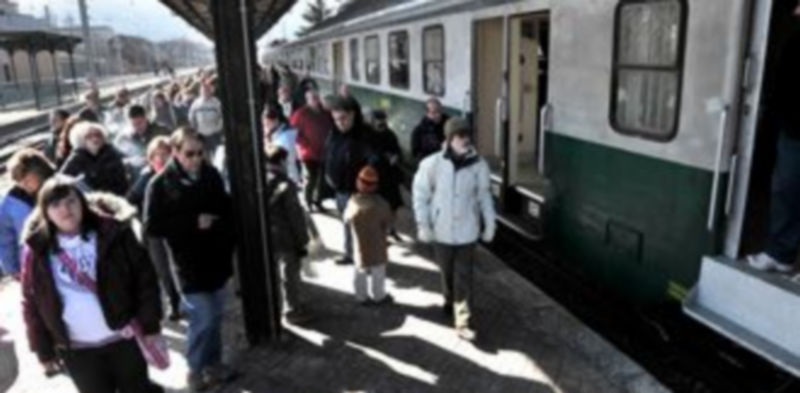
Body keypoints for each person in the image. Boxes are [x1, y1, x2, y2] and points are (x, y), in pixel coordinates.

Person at [20, 176, 163, 393]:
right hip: (78, 352)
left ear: (82, 203)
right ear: (45, 212)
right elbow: (31, 302)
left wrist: (150, 324)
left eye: (70, 201)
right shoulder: (36, 251)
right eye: (55, 204)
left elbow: (145, 280)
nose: (65, 209)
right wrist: (43, 350)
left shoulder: (114, 233)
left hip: (123, 340)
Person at [143, 127, 236, 391]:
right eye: (189, 154)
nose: (196, 159)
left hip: (216, 258)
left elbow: (227, 209)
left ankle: (214, 365)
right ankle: (194, 370)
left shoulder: (211, 174)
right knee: (203, 316)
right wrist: (192, 223)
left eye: (200, 153)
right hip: (188, 264)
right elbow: (152, 227)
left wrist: (223, 233)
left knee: (215, 316)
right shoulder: (159, 184)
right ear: (174, 152)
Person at [412, 117, 496, 341]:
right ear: (449, 139)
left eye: (467, 135)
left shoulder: (479, 165)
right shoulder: (432, 164)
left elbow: (484, 195)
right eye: (460, 136)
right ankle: (449, 299)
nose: (465, 140)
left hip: (467, 232)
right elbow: (421, 196)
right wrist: (423, 224)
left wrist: (489, 223)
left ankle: (463, 320)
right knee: (446, 272)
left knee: (464, 276)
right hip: (441, 232)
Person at [747, 3, 800, 273]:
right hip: (791, 126)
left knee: (786, 188)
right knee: (786, 189)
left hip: (795, 128)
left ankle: (780, 252)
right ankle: (782, 252)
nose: (795, 11)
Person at [125, 137, 182, 321]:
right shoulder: (146, 177)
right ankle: (173, 302)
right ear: (150, 158)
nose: (162, 159)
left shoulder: (179, 173)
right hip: (155, 232)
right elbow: (130, 199)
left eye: (166, 154)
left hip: (177, 228)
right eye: (158, 155)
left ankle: (186, 297)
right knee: (163, 269)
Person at [324, 96, 380, 265]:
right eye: (335, 119)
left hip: (358, 194)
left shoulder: (365, 136)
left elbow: (374, 161)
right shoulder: (334, 134)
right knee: (347, 225)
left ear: (353, 115)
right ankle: (349, 254)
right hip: (340, 191)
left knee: (363, 229)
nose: (339, 123)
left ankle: (367, 260)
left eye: (343, 119)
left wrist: (365, 185)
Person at [265, 146, 312, 324]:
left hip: (268, 236)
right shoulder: (285, 185)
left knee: (276, 274)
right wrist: (303, 240)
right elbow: (295, 216)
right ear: (282, 162)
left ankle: (278, 308)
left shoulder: (261, 180)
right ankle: (292, 311)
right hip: (285, 237)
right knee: (289, 274)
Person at [0, 149, 55, 278]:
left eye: (27, 179)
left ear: (40, 171)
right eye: (19, 181)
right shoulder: (11, 202)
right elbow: (5, 237)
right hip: (35, 267)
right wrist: (12, 268)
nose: (23, 184)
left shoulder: (62, 186)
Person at [344, 166, 394, 305]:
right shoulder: (382, 204)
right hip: (378, 245)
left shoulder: (352, 202)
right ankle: (379, 296)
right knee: (378, 271)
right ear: (375, 186)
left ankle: (361, 297)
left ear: (358, 183)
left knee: (360, 270)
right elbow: (388, 222)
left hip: (359, 245)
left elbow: (346, 220)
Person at [291, 89, 333, 209]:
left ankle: (317, 201)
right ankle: (307, 202)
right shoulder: (300, 114)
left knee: (321, 179)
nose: (315, 99)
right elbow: (293, 132)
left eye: (316, 97)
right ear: (307, 99)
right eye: (312, 97)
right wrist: (303, 144)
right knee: (310, 178)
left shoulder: (325, 112)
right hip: (308, 153)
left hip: (323, 152)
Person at [61, 122, 129, 195]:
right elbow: (62, 177)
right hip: (88, 200)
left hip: (114, 197)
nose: (95, 139)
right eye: (89, 136)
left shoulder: (112, 153)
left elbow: (122, 182)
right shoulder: (76, 157)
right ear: (81, 140)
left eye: (98, 135)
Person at [369, 109, 404, 240]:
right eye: (379, 121)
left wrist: (396, 157)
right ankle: (381, 233)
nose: (382, 124)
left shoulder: (390, 135)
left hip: (391, 177)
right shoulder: (369, 136)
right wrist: (382, 157)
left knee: (393, 205)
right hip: (376, 177)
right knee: (378, 207)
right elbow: (368, 154)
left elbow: (398, 151)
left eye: (383, 121)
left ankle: (392, 229)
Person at [115, 105, 171, 180]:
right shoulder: (124, 139)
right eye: (133, 124)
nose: (137, 127)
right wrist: (130, 161)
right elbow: (117, 160)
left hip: (164, 173)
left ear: (146, 118)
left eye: (140, 123)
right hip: (138, 177)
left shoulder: (162, 131)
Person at [263, 105, 300, 184]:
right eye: (265, 125)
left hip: (289, 176)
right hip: (280, 175)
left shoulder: (287, 135)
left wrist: (266, 142)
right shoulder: (273, 134)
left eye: (268, 123)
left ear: (276, 121)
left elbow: (273, 156)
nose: (266, 127)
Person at [188, 81, 224, 154]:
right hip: (202, 134)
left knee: (217, 154)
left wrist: (218, 127)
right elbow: (191, 116)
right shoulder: (196, 103)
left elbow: (222, 116)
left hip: (214, 134)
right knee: (204, 155)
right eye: (203, 90)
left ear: (211, 91)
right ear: (200, 91)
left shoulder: (216, 102)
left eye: (207, 90)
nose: (205, 92)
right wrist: (195, 129)